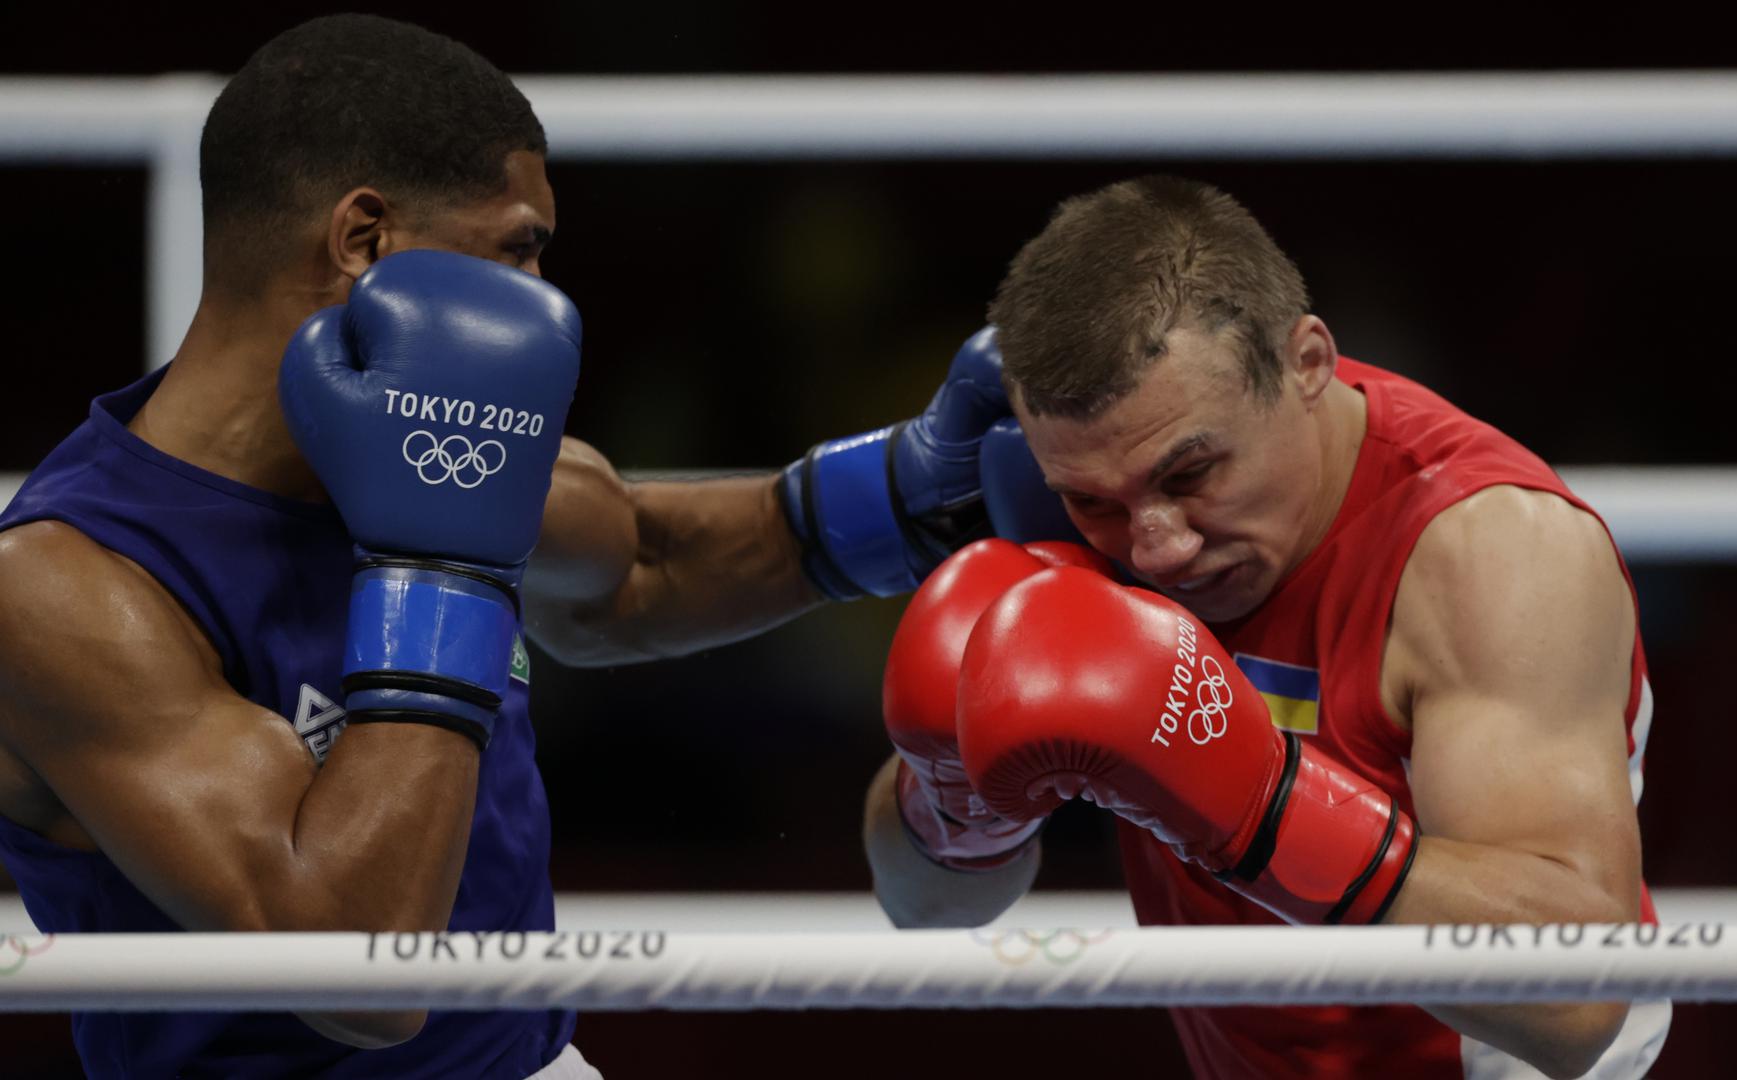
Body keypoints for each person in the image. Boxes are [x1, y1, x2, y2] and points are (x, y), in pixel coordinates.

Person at [0, 15, 1039, 1079]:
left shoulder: (440, 447)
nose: (542, 301)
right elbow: (354, 970)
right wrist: (442, 572)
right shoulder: (70, 584)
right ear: (364, 243)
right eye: (516, 248)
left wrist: (914, 496)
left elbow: (640, 567)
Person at [863, 176, 1671, 1078]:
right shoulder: (1084, 501)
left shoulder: (1489, 553)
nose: (1157, 549)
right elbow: (926, 910)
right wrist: (951, 796)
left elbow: (1577, 999)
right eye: (1093, 501)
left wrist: (1262, 806)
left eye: (1192, 473)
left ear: (1308, 364)